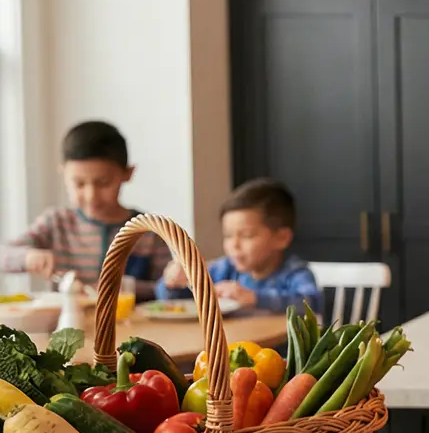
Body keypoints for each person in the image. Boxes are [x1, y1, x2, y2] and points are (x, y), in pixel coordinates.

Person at [1, 121, 172, 298]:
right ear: (63, 173)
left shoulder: (148, 231)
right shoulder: (56, 222)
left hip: (132, 324)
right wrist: (27, 257)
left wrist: (120, 289)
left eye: (103, 183)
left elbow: (166, 289)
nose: (91, 195)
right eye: (79, 184)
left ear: (127, 174)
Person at [158, 178, 319, 314]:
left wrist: (254, 298)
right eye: (228, 235)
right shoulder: (224, 269)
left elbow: (312, 302)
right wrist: (172, 283)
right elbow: (171, 299)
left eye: (247, 235)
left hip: (277, 351)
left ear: (282, 238)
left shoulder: (293, 272)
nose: (234, 245)